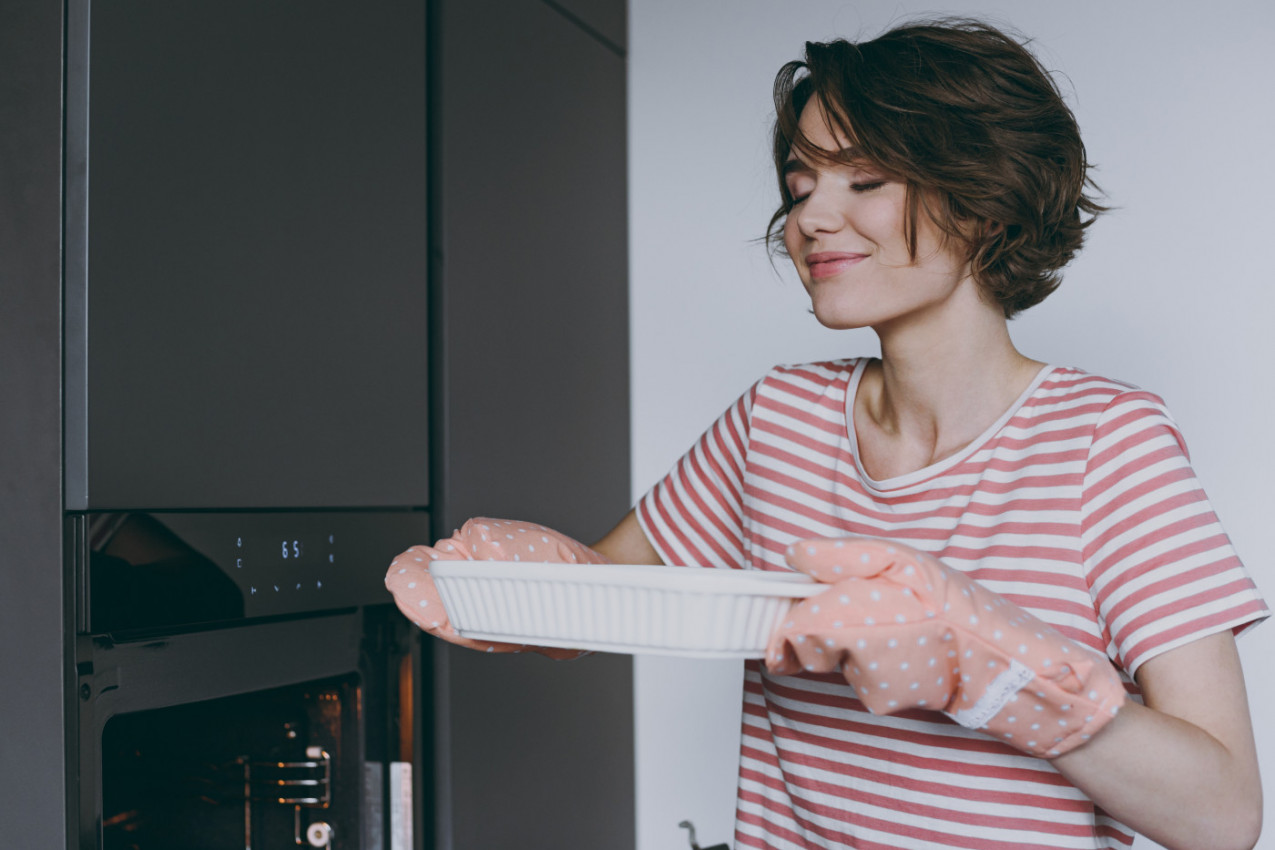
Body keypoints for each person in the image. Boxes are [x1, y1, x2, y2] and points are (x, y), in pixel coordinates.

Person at [386, 18, 1268, 850]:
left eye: (865, 180)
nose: (809, 217)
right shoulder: (777, 420)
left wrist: (995, 673)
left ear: (987, 202)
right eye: (800, 184)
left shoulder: (1104, 444)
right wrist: (514, 586)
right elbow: (607, 593)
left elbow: (1222, 816)